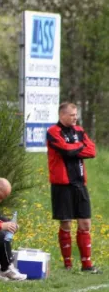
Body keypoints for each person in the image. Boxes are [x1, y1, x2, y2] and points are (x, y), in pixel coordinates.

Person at [46, 102, 100, 273]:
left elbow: (92, 151)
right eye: (72, 115)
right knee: (66, 224)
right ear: (62, 115)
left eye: (76, 114)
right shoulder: (53, 131)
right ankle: (68, 264)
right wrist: (79, 148)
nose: (75, 117)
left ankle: (87, 265)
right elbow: (65, 150)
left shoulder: (79, 131)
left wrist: (76, 148)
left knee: (85, 223)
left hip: (79, 183)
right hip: (62, 185)